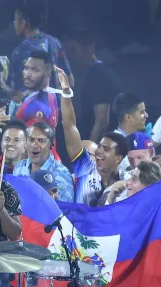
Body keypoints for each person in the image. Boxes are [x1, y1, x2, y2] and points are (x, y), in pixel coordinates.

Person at [57, 68, 128, 207]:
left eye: (106, 149)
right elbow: (69, 126)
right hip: (78, 222)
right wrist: (66, 93)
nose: (98, 151)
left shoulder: (127, 180)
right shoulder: (86, 168)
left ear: (118, 159)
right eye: (99, 146)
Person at [64, 28, 121, 144]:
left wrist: (90, 149)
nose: (68, 55)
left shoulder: (99, 74)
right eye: (67, 51)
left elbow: (102, 120)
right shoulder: (93, 73)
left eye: (72, 49)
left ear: (88, 49)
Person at [4, 0, 71, 93]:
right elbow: (70, 80)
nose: (14, 23)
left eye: (15, 19)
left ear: (23, 22)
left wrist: (4, 85)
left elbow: (18, 95)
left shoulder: (19, 52)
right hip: (56, 102)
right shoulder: (55, 43)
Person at [12, 123, 74, 202]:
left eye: (41, 140)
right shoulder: (19, 167)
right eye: (31, 140)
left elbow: (63, 207)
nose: (34, 145)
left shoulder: (61, 173)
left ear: (51, 144)